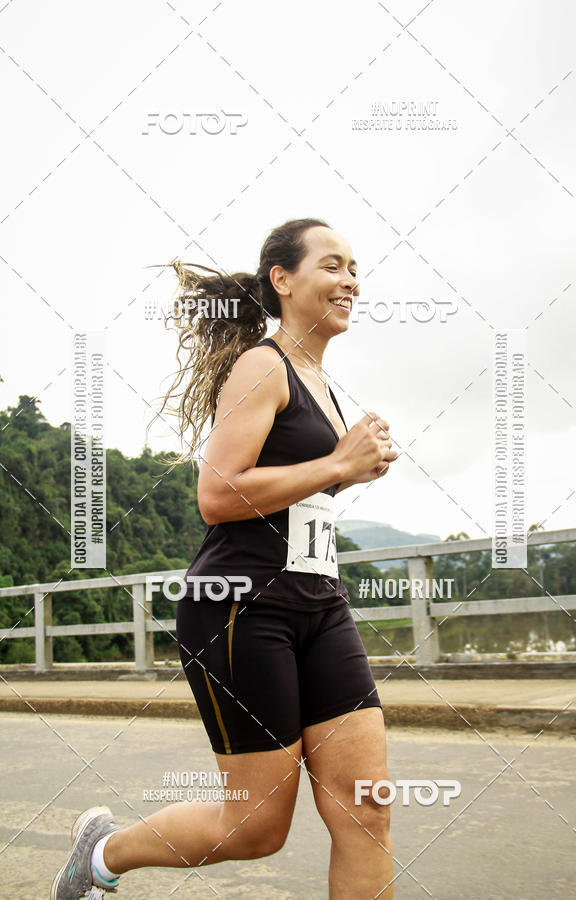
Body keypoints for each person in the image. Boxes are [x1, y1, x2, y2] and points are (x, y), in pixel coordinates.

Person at [51, 218, 398, 899]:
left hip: (321, 605)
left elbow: (306, 491)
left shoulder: (324, 385)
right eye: (333, 265)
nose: (351, 280)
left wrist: (350, 470)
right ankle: (102, 857)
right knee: (255, 828)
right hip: (241, 607)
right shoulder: (262, 365)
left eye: (356, 267)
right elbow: (218, 491)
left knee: (368, 808)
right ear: (283, 279)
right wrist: (336, 462)